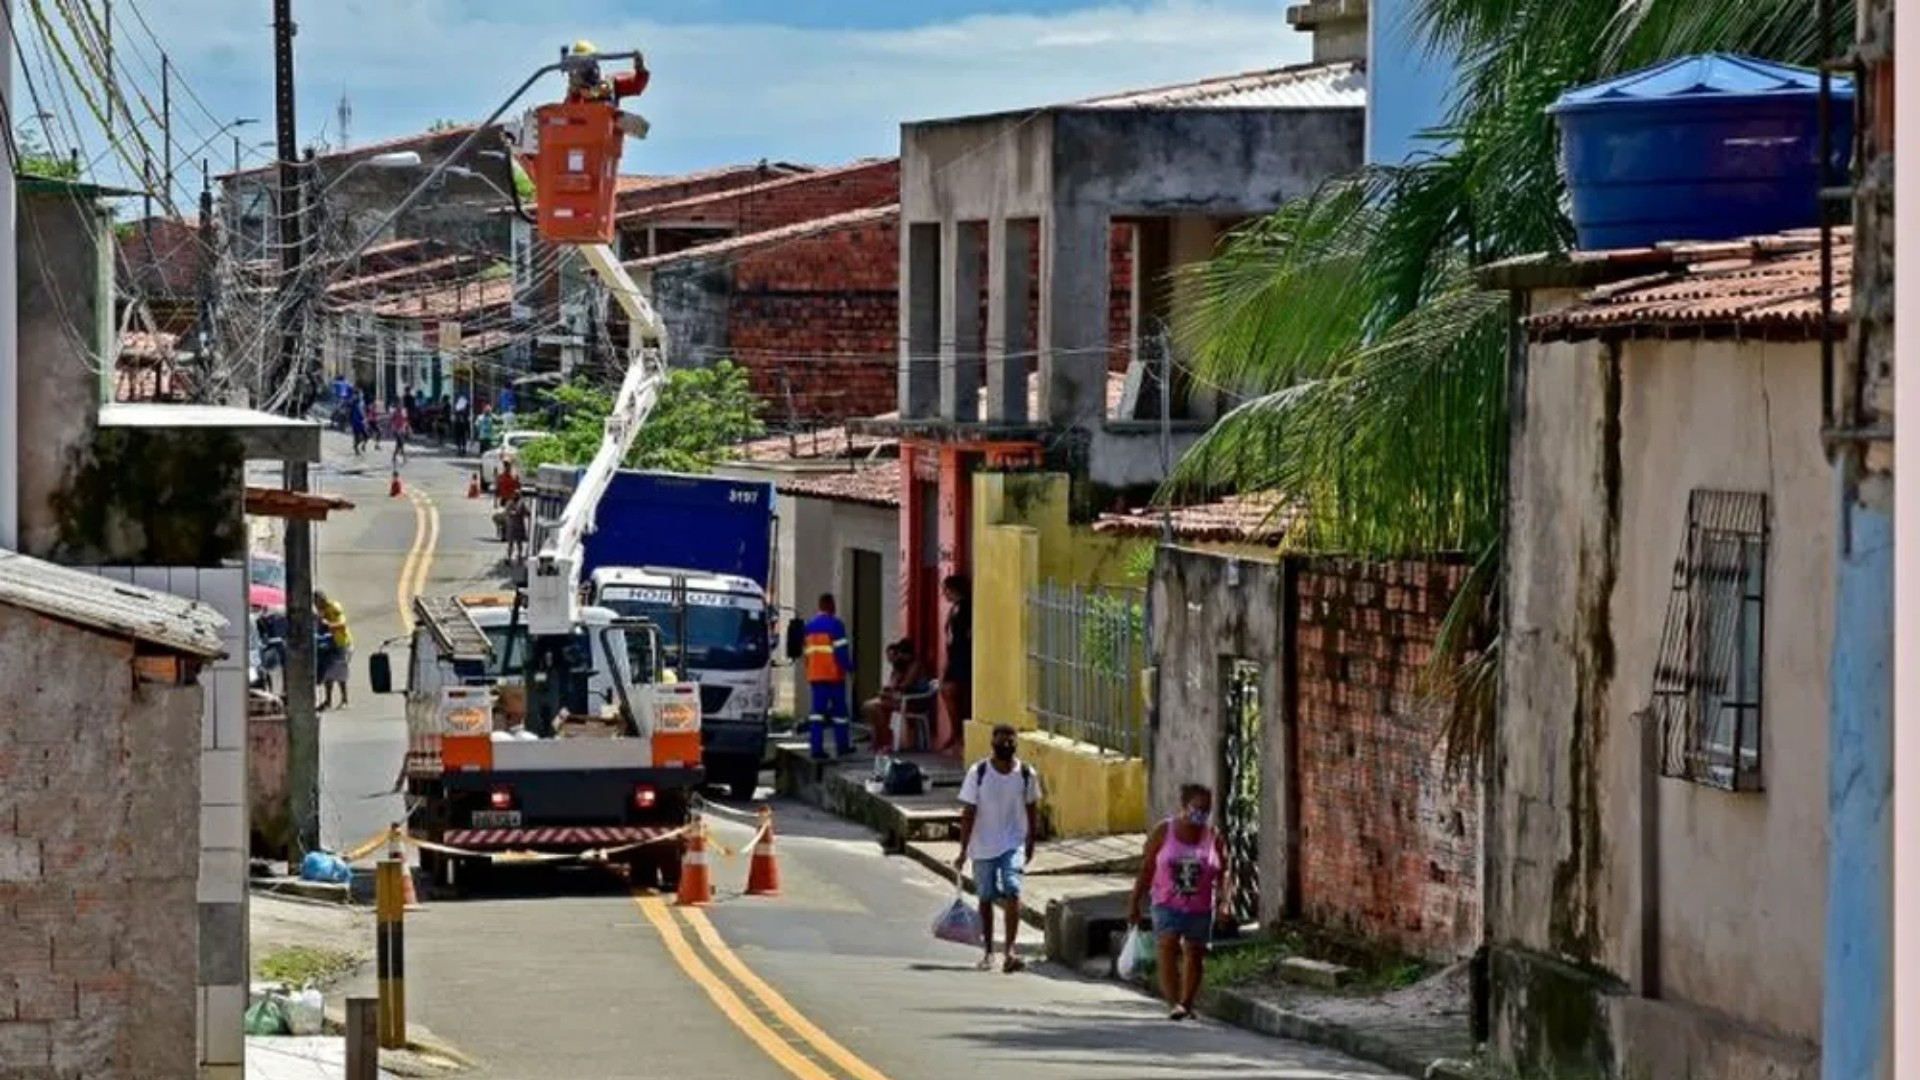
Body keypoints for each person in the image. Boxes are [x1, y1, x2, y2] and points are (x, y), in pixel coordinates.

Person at [1127, 783, 1233, 1020]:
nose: (1201, 814)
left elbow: (1225, 871)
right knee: (1168, 945)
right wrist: (1134, 901)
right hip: (1166, 903)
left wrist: (1225, 902)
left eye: (1206, 809)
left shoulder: (1213, 836)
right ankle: (1173, 1002)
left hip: (1200, 906)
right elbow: (1147, 868)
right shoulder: (1164, 832)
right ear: (1184, 806)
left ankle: (1186, 1002)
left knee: (1195, 952)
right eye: (1197, 807)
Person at [954, 723, 1043, 973]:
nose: (1006, 745)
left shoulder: (1026, 773)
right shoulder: (978, 772)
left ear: (1016, 744)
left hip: (1013, 843)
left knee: (1013, 890)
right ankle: (988, 952)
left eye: (1010, 741)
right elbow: (968, 812)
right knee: (985, 898)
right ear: (992, 742)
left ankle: (1010, 952)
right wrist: (963, 850)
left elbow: (1032, 808)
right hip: (982, 845)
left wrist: (1030, 841)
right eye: (1001, 740)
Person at [802, 594, 856, 760]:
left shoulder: (809, 626)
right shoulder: (836, 625)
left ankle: (816, 749)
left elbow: (807, 654)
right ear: (831, 605)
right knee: (840, 713)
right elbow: (841, 652)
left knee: (817, 714)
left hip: (816, 676)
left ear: (819, 606)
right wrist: (849, 667)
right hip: (833, 676)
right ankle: (842, 747)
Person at [861, 639, 928, 753]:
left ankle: (885, 741)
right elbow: (893, 685)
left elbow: (905, 685)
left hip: (913, 702)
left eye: (901, 655)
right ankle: (879, 740)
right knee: (869, 707)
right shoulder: (900, 667)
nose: (899, 657)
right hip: (901, 699)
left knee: (877, 708)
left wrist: (891, 691)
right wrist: (888, 689)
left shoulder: (915, 665)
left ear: (908, 655)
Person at [939, 575, 973, 753]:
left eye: (945, 590)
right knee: (947, 691)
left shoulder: (966, 607)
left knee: (958, 694)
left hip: (963, 657)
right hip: (955, 658)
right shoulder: (955, 608)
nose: (944, 594)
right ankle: (956, 732)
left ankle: (959, 734)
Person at [316, 592, 354, 711]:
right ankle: (328, 702)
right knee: (328, 673)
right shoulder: (320, 612)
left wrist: (328, 625)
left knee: (340, 672)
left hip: (342, 643)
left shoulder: (334, 607)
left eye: (317, 601)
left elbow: (342, 624)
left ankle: (345, 700)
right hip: (329, 645)